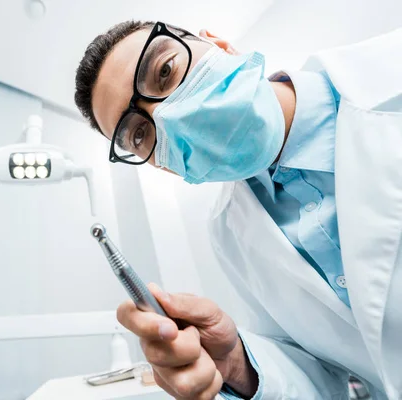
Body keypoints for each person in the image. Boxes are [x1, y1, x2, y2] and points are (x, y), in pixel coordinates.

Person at [74, 20, 402, 399]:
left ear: (219, 45)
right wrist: (237, 363)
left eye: (165, 72)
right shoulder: (228, 232)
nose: (166, 116)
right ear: (156, 164)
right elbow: (326, 375)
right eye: (140, 134)